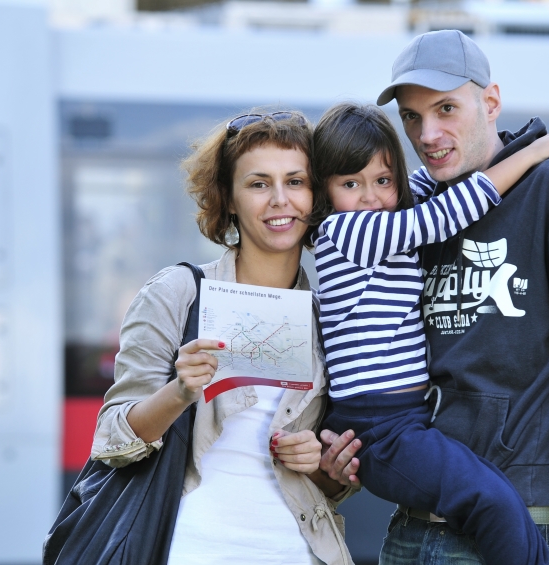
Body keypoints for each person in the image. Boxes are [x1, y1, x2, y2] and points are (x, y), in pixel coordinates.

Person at [320, 30, 549, 565]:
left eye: (446, 108)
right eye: (411, 116)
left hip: (521, 522)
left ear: (491, 102)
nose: (428, 133)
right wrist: (341, 465)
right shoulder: (403, 217)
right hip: (414, 526)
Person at [308, 102, 549, 565]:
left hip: (401, 421)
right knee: (490, 500)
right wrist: (536, 153)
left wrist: (524, 138)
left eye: (382, 180)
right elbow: (445, 214)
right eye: (350, 184)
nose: (370, 196)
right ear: (325, 190)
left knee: (495, 498)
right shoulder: (345, 230)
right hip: (378, 427)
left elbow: (429, 183)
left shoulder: (382, 214)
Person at [90, 111, 356, 565]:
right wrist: (180, 392)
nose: (279, 200)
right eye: (258, 184)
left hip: (296, 551)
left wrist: (323, 464)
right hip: (189, 548)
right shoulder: (177, 293)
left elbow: (333, 485)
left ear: (314, 197)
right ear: (229, 198)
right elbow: (111, 439)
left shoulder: (330, 316)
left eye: (295, 181)